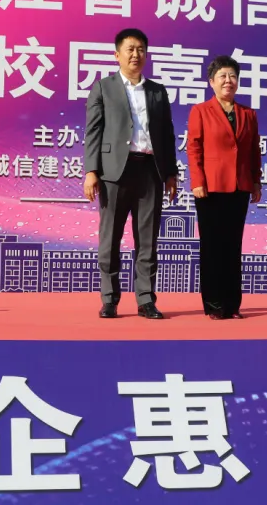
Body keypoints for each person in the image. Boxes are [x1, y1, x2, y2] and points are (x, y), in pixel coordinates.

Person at [83, 29, 178, 320]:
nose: (136, 55)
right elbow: (93, 132)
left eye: (141, 50)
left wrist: (171, 173)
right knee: (110, 238)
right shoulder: (104, 87)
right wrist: (91, 171)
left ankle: (146, 300)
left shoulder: (157, 91)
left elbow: (167, 134)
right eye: (130, 49)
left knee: (147, 239)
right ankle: (109, 299)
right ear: (117, 55)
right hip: (114, 172)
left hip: (150, 170)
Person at [186, 56, 262, 320]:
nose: (228, 81)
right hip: (210, 187)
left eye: (232, 76)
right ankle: (214, 304)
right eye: (223, 76)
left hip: (240, 186)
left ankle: (233, 304)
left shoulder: (248, 114)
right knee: (212, 246)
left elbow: (253, 151)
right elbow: (194, 148)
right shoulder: (200, 111)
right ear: (212, 82)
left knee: (232, 246)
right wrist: (197, 181)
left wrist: (255, 181)